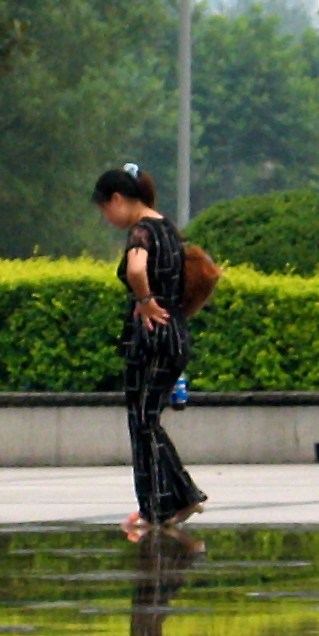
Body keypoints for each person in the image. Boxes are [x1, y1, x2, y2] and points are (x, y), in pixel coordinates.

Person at [93, 163, 207, 539]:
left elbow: (137, 267)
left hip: (153, 337)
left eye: (105, 209)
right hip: (173, 333)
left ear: (118, 199)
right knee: (145, 420)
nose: (107, 217)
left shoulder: (142, 230)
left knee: (142, 420)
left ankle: (173, 498)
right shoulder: (167, 229)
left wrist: (143, 299)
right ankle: (159, 503)